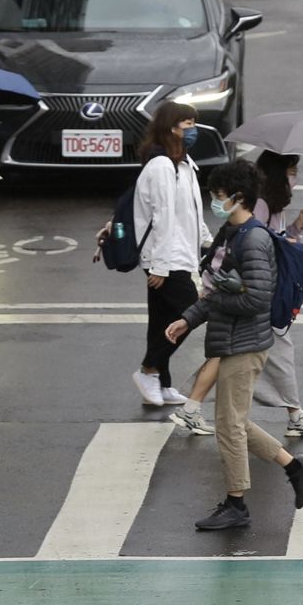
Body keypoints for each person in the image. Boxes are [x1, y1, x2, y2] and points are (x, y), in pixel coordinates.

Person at [165, 161, 303, 531]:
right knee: (234, 423)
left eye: (218, 197)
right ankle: (296, 467)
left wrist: (212, 305)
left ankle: (237, 504)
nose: (214, 202)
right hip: (230, 338)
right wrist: (189, 317)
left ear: (238, 198)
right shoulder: (229, 233)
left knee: (229, 425)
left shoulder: (253, 239)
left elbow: (256, 300)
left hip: (245, 343)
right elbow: (217, 288)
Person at [170, 151, 303, 437]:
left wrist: (297, 226)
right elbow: (256, 261)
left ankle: (192, 408)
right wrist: (206, 306)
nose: (294, 177)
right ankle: (294, 417)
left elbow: (273, 246)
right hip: (253, 302)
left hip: (241, 299)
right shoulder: (253, 217)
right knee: (263, 361)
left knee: (224, 354)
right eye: (291, 171)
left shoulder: (266, 211)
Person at [120, 102, 209, 407]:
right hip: (165, 258)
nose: (192, 129)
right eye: (188, 124)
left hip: (180, 253)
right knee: (191, 312)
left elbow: (191, 212)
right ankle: (148, 368)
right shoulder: (160, 166)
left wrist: (207, 241)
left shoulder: (182, 163)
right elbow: (162, 217)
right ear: (172, 127)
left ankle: (163, 382)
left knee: (161, 319)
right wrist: (159, 265)